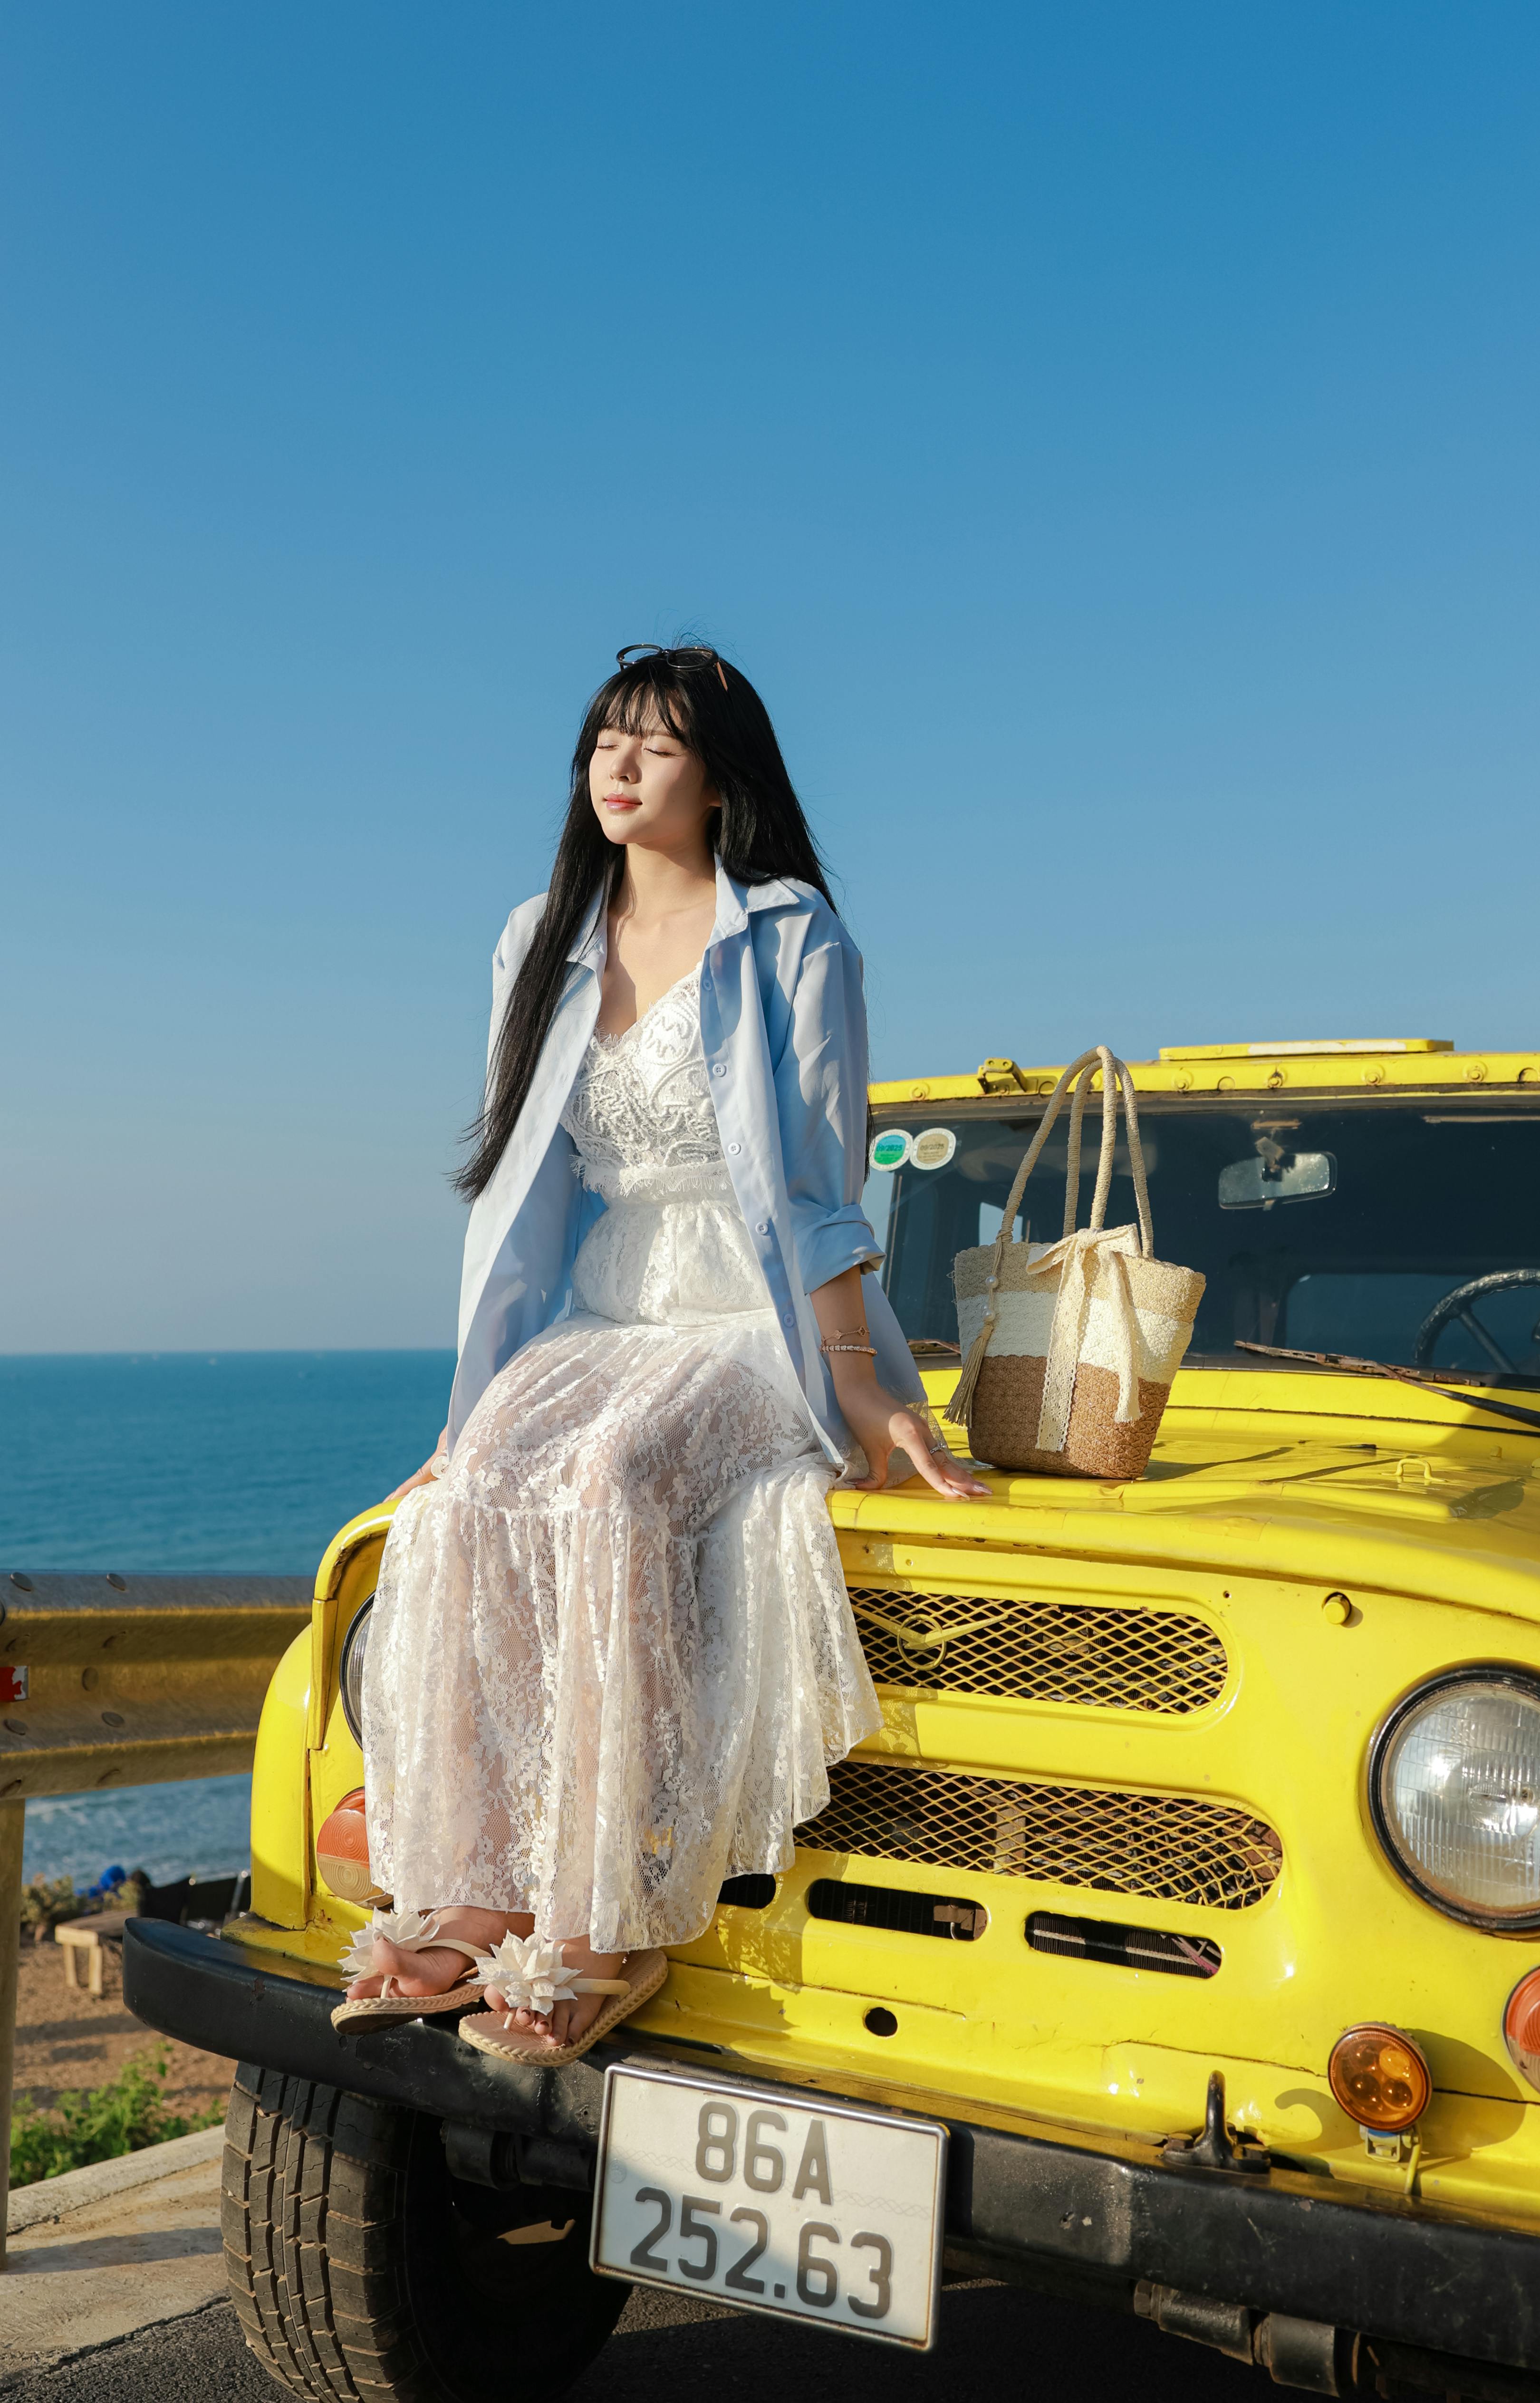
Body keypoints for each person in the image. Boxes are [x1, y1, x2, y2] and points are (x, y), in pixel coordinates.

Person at [336, 643, 988, 2068]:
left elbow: (820, 1188)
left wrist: (864, 1385)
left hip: (744, 1314)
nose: (619, 769)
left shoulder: (795, 936)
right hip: (604, 1304)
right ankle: (482, 1886)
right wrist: (476, 1407)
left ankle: (608, 1910)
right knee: (469, 1489)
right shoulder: (537, 935)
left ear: (720, 778)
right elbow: (523, 1194)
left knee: (613, 1476)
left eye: (656, 747)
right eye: (602, 744)